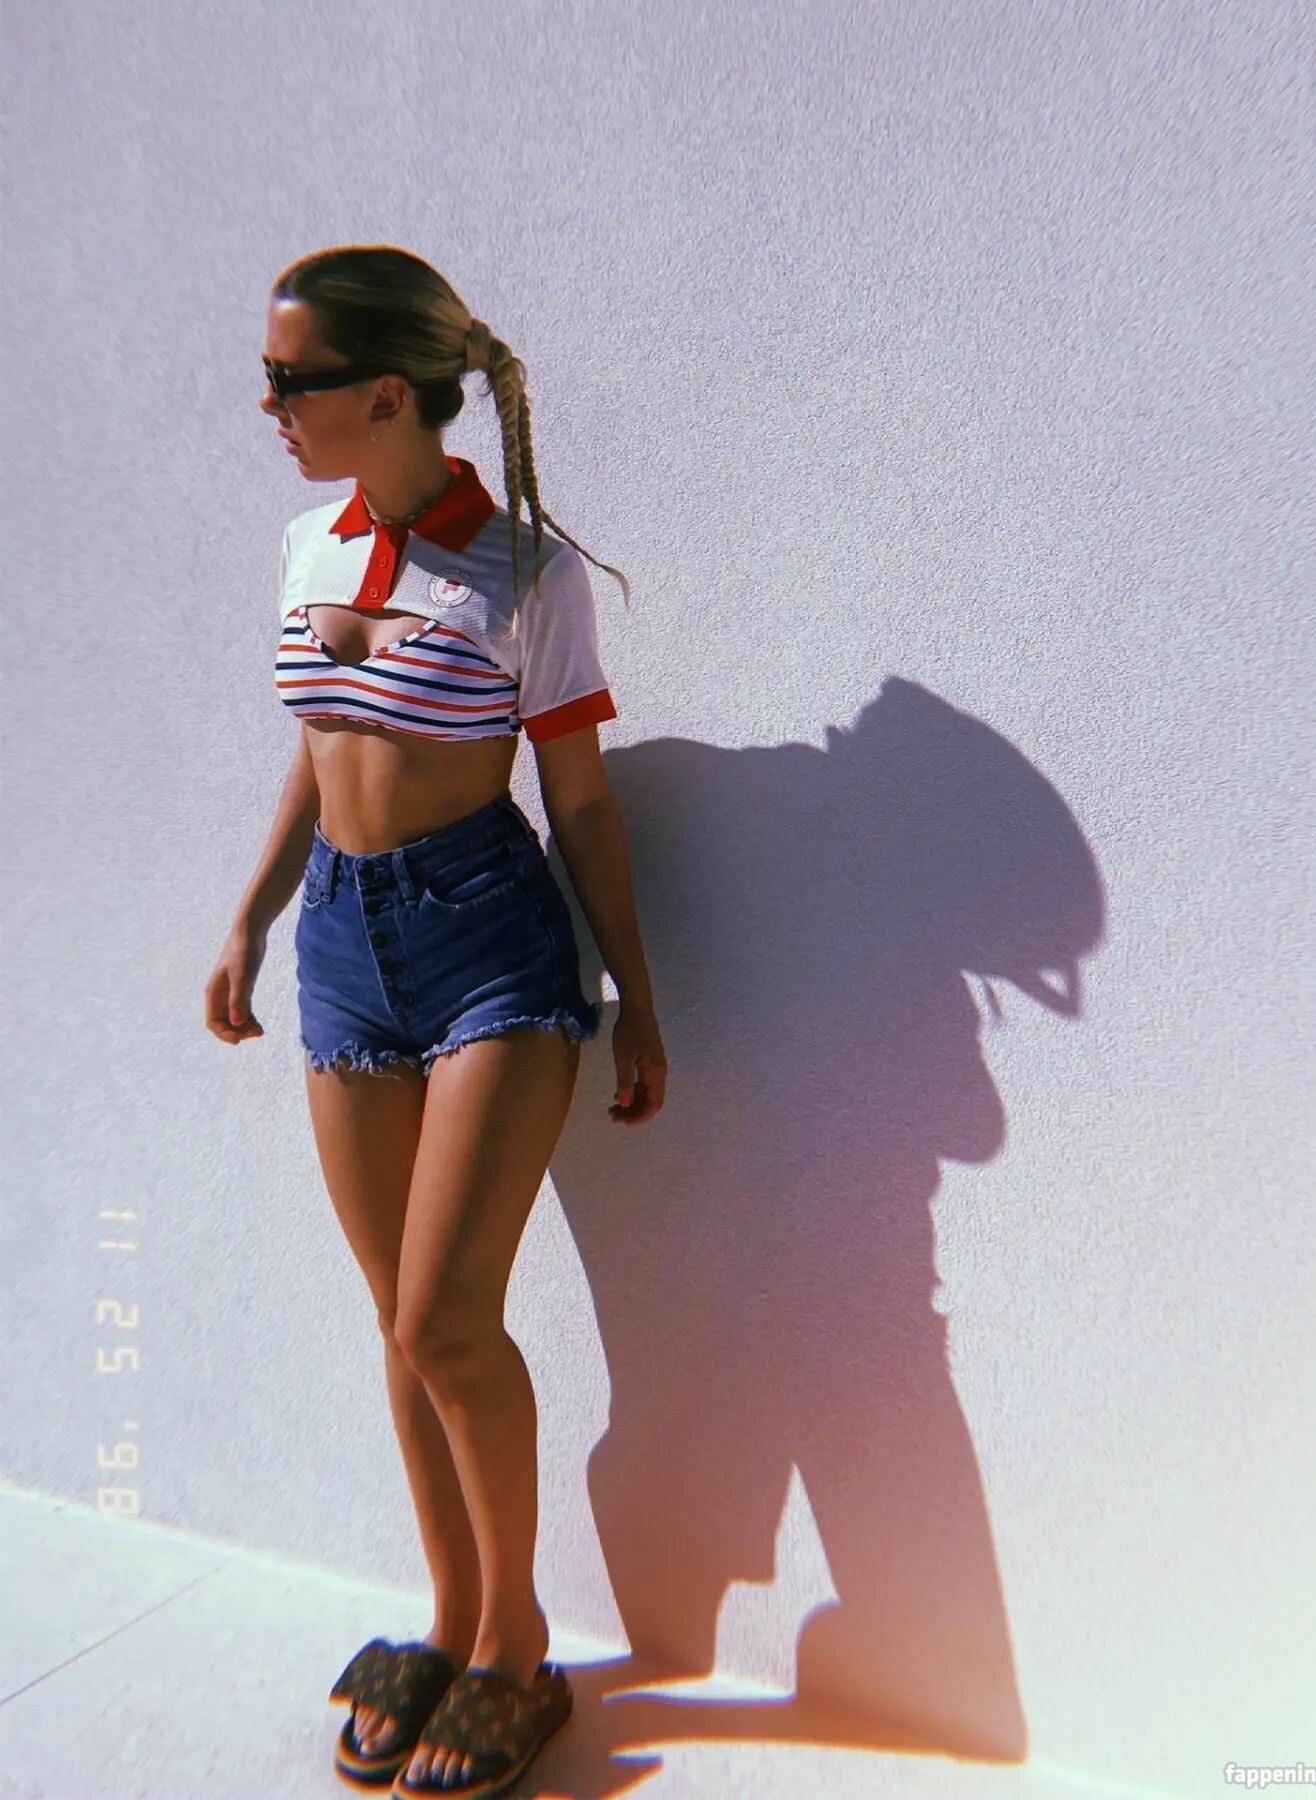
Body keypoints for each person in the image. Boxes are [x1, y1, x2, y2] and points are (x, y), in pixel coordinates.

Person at [204, 242, 667, 1795]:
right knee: (396, 1327)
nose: (270, 404)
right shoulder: (308, 546)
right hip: (344, 943)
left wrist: (636, 992)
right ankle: (453, 1620)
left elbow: (580, 800)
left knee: (441, 1321)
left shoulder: (524, 577)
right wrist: (257, 914)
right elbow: (320, 743)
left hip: (489, 947)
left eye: (293, 379)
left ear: (390, 393)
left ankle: (518, 1646)